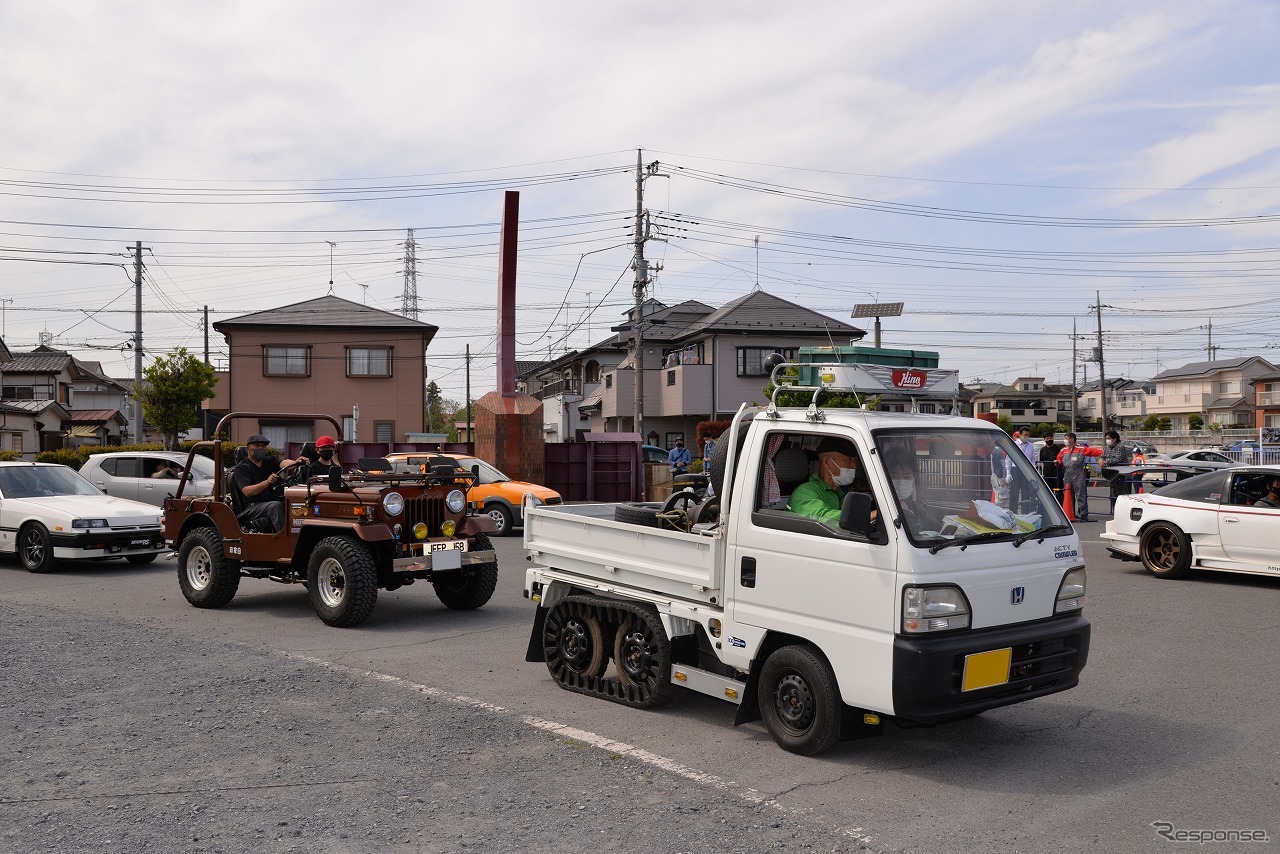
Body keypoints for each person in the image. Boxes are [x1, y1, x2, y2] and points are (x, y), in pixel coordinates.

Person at [788, 437, 878, 526]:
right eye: (849, 459)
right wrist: (870, 515)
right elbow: (823, 518)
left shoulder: (840, 493)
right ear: (827, 462)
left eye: (855, 460)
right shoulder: (803, 493)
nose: (855, 466)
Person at [230, 434, 304, 532]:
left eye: (263, 446)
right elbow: (247, 491)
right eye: (256, 446)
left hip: (273, 499)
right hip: (252, 506)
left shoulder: (270, 461)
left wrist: (296, 462)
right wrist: (267, 482)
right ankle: (285, 538)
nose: (260, 448)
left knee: (296, 502)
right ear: (248, 449)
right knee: (275, 506)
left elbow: (284, 463)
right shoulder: (242, 468)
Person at [1055, 433, 1103, 522]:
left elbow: (1096, 452)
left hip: (1078, 474)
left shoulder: (1081, 449)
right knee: (1068, 494)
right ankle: (1070, 513)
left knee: (1080, 494)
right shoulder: (1063, 450)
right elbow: (1059, 459)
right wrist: (1057, 462)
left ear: (1072, 439)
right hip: (1067, 473)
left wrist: (1103, 456)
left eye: (1066, 438)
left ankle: (1083, 514)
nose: (1065, 441)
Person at [1100, 430, 1129, 514]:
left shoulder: (1120, 447)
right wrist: (1101, 460)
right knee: (1113, 493)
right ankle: (1115, 511)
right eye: (1106, 438)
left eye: (1108, 438)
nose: (1107, 440)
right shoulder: (1107, 447)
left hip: (1121, 473)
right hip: (1111, 473)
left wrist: (1105, 462)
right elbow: (1102, 456)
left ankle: (1124, 512)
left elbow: (1118, 459)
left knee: (1122, 493)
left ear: (1115, 439)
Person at [1038, 434, 1061, 499]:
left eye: (1050, 438)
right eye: (1047, 438)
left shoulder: (1058, 448)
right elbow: (1041, 460)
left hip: (1056, 472)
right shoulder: (1042, 450)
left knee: (1058, 491)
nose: (1049, 440)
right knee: (1048, 491)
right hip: (1047, 473)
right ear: (1044, 439)